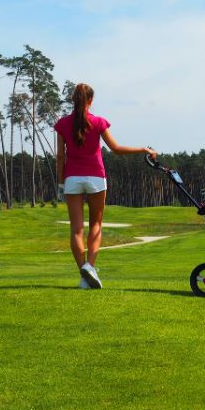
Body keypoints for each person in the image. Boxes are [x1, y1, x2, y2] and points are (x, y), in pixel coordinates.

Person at [54, 83, 156, 289]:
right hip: (96, 178)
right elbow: (116, 149)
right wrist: (143, 149)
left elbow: (60, 157)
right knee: (96, 225)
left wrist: (61, 182)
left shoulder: (62, 123)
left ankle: (84, 276)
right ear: (90, 101)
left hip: (72, 179)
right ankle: (89, 267)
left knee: (76, 230)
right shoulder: (99, 122)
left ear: (73, 100)